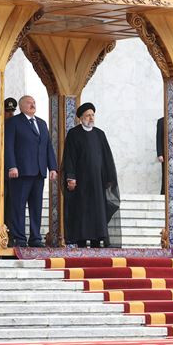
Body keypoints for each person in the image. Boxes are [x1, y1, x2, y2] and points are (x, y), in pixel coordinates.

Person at [63, 103, 120, 248]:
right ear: (81, 118)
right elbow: (69, 157)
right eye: (88, 115)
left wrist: (109, 178)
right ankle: (81, 241)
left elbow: (107, 157)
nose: (91, 118)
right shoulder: (73, 134)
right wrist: (71, 177)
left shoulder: (99, 134)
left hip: (97, 181)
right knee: (82, 210)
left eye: (92, 115)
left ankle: (97, 240)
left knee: (97, 211)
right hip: (81, 182)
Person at [4, 95, 57, 247]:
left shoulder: (41, 123)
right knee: (18, 206)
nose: (32, 104)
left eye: (34, 102)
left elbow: (48, 146)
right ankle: (19, 238)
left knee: (36, 207)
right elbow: (8, 146)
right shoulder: (14, 122)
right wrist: (12, 166)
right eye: (29, 103)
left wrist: (52, 167)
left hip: (39, 172)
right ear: (21, 106)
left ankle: (35, 238)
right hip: (21, 172)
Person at [2, 97, 17, 226]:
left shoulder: (15, 126)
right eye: (8, 111)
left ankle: (10, 232)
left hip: (13, 173)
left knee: (12, 205)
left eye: (12, 111)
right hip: (0, 173)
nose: (10, 114)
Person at [156, 117, 165, 194]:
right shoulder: (161, 121)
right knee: (165, 173)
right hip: (165, 154)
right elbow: (158, 138)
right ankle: (164, 192)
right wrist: (160, 154)